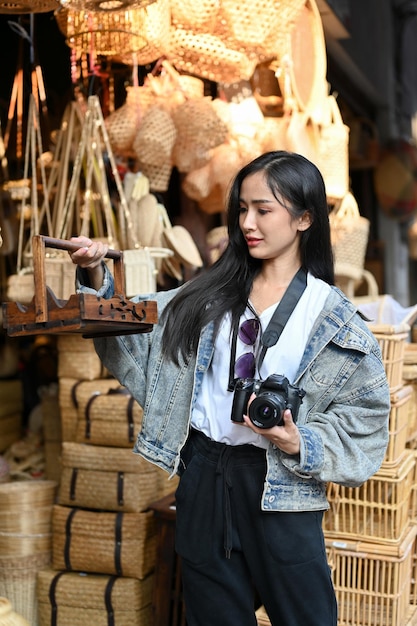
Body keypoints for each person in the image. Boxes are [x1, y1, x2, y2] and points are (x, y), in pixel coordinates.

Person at [69, 150, 390, 626]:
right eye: (242, 209)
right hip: (205, 474)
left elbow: (367, 417)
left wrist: (302, 440)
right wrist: (95, 272)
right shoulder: (207, 294)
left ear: (305, 218)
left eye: (264, 210)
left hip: (280, 484)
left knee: (308, 617)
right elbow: (126, 324)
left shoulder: (333, 319)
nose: (248, 222)